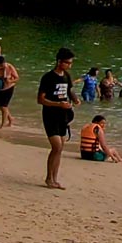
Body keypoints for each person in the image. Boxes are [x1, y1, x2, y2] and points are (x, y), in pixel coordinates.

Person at [38, 48, 78, 190]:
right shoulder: (48, 77)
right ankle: (49, 178)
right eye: (67, 63)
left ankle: (54, 178)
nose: (69, 65)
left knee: (60, 148)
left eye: (71, 63)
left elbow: (69, 90)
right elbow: (40, 99)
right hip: (50, 114)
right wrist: (58, 104)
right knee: (57, 146)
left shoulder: (66, 75)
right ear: (59, 61)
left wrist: (75, 99)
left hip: (63, 115)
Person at [0, 55, 19, 128]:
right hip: (0, 88)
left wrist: (10, 80)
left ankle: (3, 124)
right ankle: (10, 120)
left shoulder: (9, 67)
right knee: (1, 106)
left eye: (2, 64)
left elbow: (17, 78)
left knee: (4, 106)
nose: (1, 66)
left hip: (9, 88)